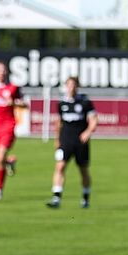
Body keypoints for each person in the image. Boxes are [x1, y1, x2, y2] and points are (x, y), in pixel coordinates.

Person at [47, 77, 97, 209]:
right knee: (60, 166)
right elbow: (58, 122)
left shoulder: (85, 102)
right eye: (69, 85)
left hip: (80, 142)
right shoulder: (61, 103)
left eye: (73, 85)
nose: (71, 88)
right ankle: (56, 198)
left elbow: (94, 120)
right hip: (65, 140)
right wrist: (57, 139)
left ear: (77, 86)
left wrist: (88, 132)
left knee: (83, 170)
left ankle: (85, 198)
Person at [0, 61, 26, 201]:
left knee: (0, 156)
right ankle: (9, 162)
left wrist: (14, 103)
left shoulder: (13, 88)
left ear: (6, 72)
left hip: (8, 126)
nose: (1, 72)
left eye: (3, 70)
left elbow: (25, 104)